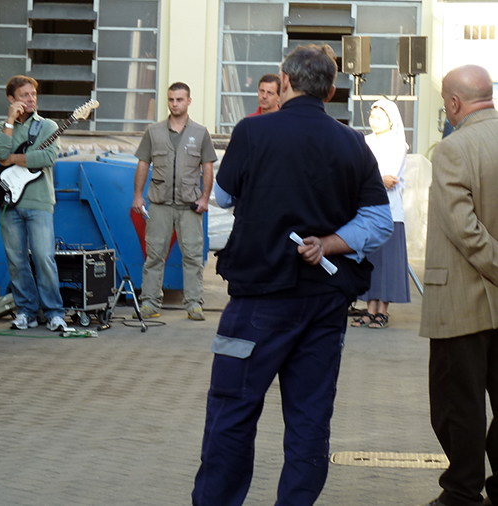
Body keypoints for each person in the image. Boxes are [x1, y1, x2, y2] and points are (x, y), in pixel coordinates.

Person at [193, 44, 392, 506]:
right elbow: (379, 221)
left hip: (257, 299)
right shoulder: (352, 142)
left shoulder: (252, 131)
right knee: (309, 419)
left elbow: (222, 197)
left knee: (233, 410)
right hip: (324, 299)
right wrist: (328, 243)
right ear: (332, 91)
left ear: (284, 83)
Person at [419, 64, 498, 506]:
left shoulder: (454, 148)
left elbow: (464, 229)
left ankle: (462, 491)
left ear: (453, 103)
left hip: (462, 300)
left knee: (457, 403)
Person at [131, 82, 217, 321]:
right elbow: (143, 164)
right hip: (160, 203)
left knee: (193, 255)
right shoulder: (154, 131)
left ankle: (194, 304)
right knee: (154, 254)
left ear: (189, 101)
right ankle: (149, 302)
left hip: (190, 204)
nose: (175, 104)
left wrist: (205, 198)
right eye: (171, 99)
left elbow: (208, 167)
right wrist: (138, 195)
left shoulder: (200, 133)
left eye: (180, 99)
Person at [0, 75, 68, 332]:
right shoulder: (1, 127)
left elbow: (48, 157)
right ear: (11, 99)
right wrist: (10, 121)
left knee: (44, 257)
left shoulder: (47, 126)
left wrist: (13, 159)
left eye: (33, 94)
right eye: (25, 95)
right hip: (8, 203)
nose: (31, 99)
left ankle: (55, 312)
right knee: (16, 259)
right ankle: (26, 311)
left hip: (39, 201)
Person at [350, 99, 412, 329]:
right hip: (365, 210)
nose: (374, 121)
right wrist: (374, 178)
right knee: (368, 260)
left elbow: (390, 178)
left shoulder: (398, 144)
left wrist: (367, 179)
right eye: (372, 116)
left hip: (390, 212)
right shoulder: (364, 142)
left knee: (387, 263)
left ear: (391, 120)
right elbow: (358, 173)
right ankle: (369, 310)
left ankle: (383, 311)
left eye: (380, 117)